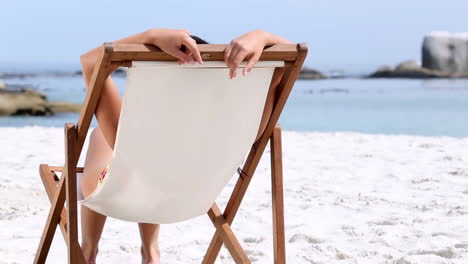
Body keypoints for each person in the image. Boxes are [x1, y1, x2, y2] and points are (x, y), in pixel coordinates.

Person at [79, 28, 292, 264]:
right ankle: (151, 253)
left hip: (123, 195)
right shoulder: (245, 123)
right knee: (154, 163)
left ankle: (88, 251)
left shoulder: (138, 134)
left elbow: (91, 61)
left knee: (105, 138)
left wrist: (150, 36)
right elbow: (292, 57)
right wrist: (262, 37)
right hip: (193, 199)